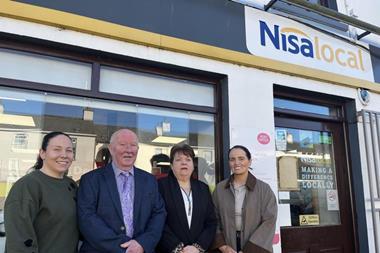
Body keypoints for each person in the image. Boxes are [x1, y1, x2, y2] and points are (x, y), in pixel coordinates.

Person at [77, 129, 166, 253]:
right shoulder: (91, 179)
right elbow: (87, 218)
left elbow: (159, 213)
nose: (129, 150)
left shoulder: (149, 180)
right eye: (122, 145)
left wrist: (142, 243)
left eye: (133, 145)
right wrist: (125, 248)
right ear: (111, 149)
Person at [4, 131, 79, 253]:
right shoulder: (28, 186)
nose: (64, 155)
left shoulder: (71, 185)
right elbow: (19, 240)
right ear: (42, 153)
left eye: (69, 150)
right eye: (57, 149)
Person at [212, 145, 277, 253]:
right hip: (228, 246)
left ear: (249, 161)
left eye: (241, 159)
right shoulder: (220, 189)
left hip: (255, 247)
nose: (237, 163)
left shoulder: (264, 189)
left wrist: (249, 250)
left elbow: (269, 220)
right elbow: (213, 219)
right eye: (232, 159)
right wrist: (223, 246)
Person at [157, 144, 217, 253]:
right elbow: (158, 220)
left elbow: (211, 222)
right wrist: (178, 248)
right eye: (178, 160)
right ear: (171, 165)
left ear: (193, 165)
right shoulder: (160, 186)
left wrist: (198, 247)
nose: (184, 162)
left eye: (188, 159)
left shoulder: (203, 188)